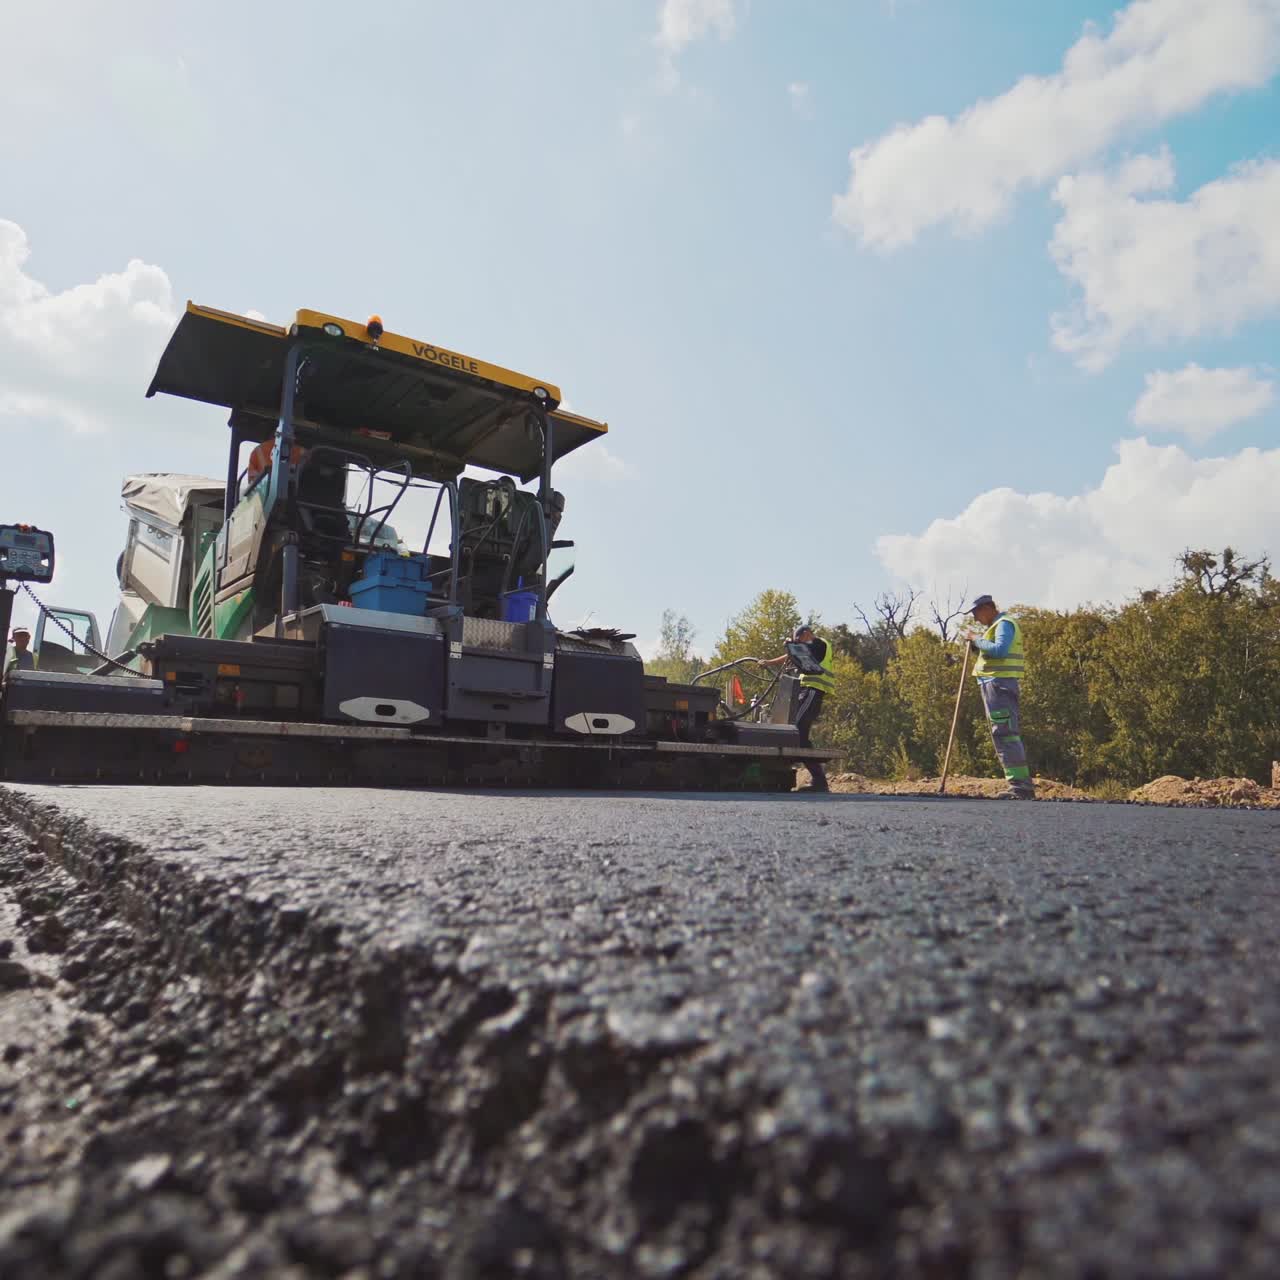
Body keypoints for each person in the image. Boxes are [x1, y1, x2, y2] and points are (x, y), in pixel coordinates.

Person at [962, 594, 1034, 800]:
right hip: (993, 684)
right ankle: (1018, 785)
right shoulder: (994, 627)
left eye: (976, 613)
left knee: (1005, 733)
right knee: (1001, 733)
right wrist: (977, 645)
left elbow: (1000, 650)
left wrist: (976, 639)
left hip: (1000, 685)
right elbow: (990, 652)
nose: (975, 618)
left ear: (987, 608)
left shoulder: (1004, 624)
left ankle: (1020, 787)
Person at [762, 623, 835, 793]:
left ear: (807, 633)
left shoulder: (819, 644)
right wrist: (769, 662)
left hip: (813, 691)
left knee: (796, 731)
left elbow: (802, 651)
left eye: (799, 640)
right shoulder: (808, 647)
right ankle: (819, 781)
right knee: (799, 735)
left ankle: (819, 780)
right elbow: (792, 654)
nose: (799, 643)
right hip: (806, 692)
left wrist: (792, 645)